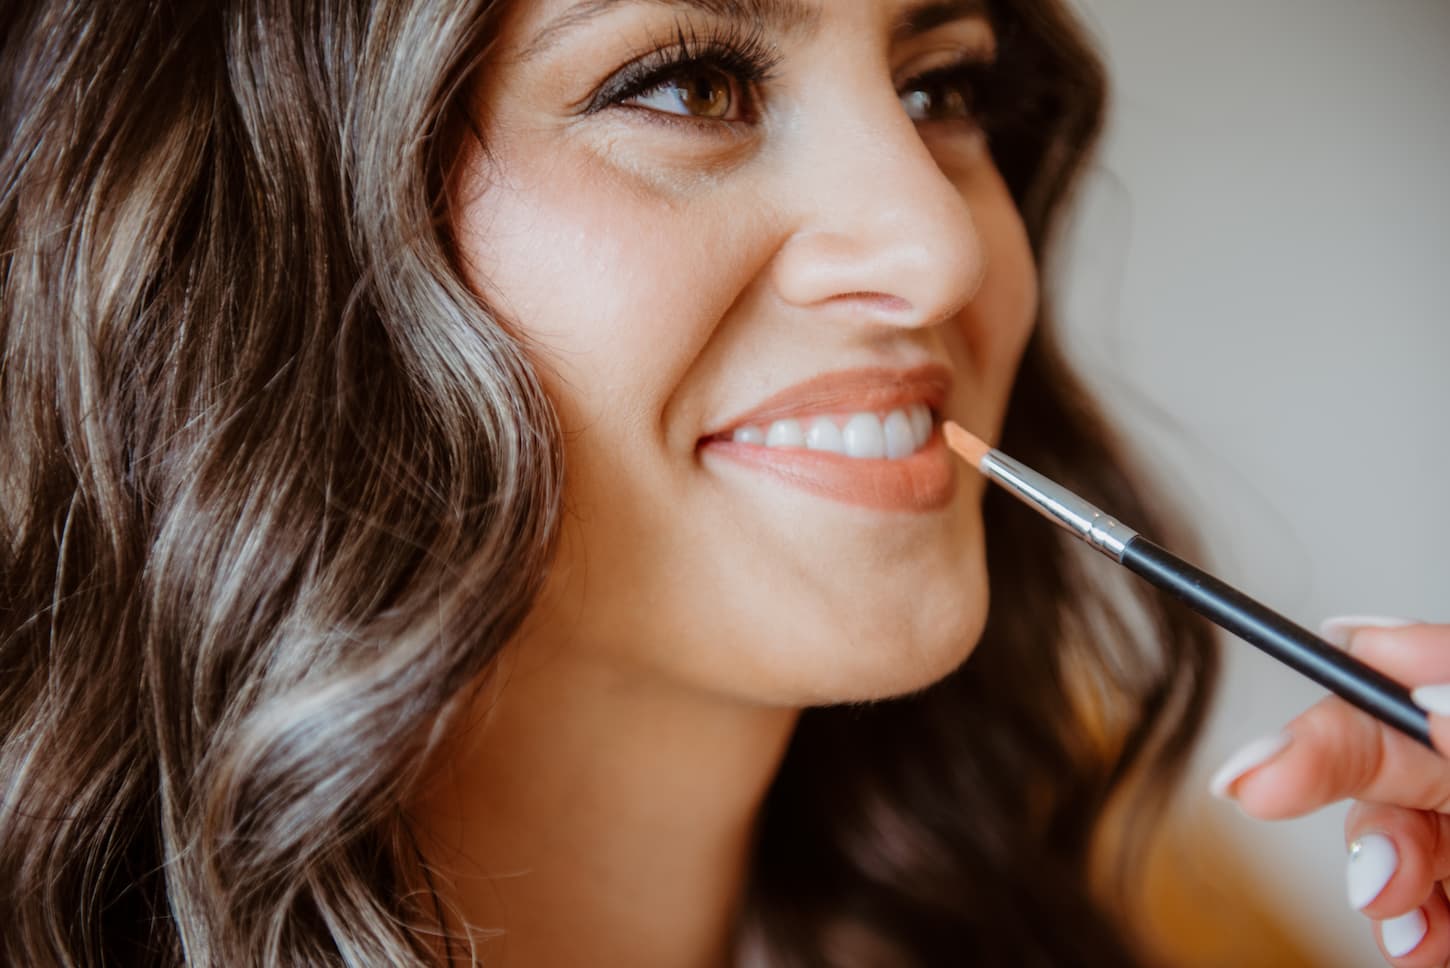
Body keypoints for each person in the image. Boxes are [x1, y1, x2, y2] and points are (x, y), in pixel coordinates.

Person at [0, 0, 1436, 965]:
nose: (938, 246)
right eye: (689, 84)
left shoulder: (1166, 913)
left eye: (939, 86)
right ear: (258, 242)